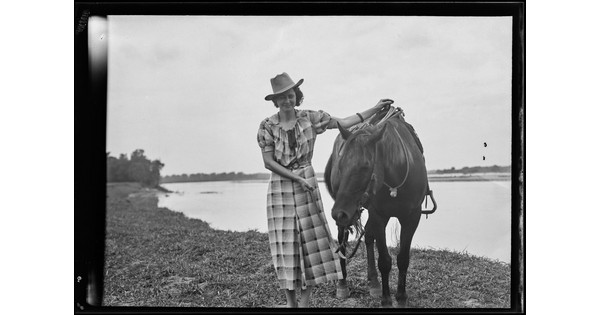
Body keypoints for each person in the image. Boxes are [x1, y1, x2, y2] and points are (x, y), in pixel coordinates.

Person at [256, 72, 393, 308]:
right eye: (282, 98)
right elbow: (269, 162)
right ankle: (291, 304)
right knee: (286, 245)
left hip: (307, 182)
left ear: (296, 97)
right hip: (281, 186)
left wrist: (375, 107)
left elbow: (347, 121)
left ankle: (306, 302)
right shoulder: (267, 126)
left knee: (312, 243)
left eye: (290, 96)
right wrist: (296, 179)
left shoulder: (310, 118)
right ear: (275, 101)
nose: (287, 101)